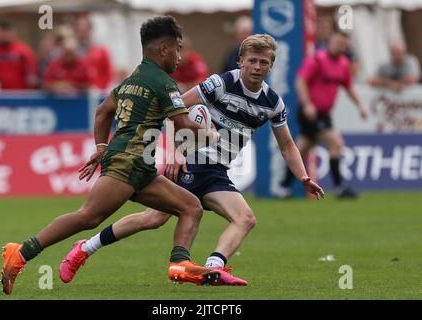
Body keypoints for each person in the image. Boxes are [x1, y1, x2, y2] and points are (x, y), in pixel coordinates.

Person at [58, 34, 324, 286]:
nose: (256, 66)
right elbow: (176, 109)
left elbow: (288, 145)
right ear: (240, 60)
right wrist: (176, 152)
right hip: (194, 161)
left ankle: (212, 267)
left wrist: (303, 177)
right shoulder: (220, 84)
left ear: (270, 65)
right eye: (251, 60)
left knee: (227, 218)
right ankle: (86, 248)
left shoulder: (272, 103)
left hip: (217, 170)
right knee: (165, 218)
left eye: (263, 62)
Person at [0, 15, 221, 295]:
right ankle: (19, 253)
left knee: (190, 206)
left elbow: (103, 111)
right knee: (88, 217)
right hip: (129, 162)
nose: (180, 56)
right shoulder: (163, 83)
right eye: (178, 48)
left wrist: (102, 148)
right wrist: (213, 134)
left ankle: (180, 264)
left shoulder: (131, 80)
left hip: (140, 167)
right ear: (164, 48)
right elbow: (184, 126)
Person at [280, 32, 368, 199]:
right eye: (336, 42)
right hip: (311, 112)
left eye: (343, 44)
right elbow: (300, 80)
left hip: (324, 114)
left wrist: (360, 106)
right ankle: (340, 187)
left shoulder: (343, 64)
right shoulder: (318, 59)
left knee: (302, 148)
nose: (339, 46)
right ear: (329, 42)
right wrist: (307, 104)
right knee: (336, 143)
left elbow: (349, 87)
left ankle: (284, 188)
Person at [0, 20, 38, 90]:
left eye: (7, 32)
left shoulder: (23, 50)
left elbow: (32, 74)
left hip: (19, 94)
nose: (4, 35)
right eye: (1, 32)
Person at [75, 15, 114, 90]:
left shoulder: (101, 51)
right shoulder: (72, 51)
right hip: (78, 92)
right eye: (79, 30)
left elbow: (108, 72)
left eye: (84, 30)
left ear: (90, 30)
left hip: (97, 91)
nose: (82, 33)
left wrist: (101, 88)